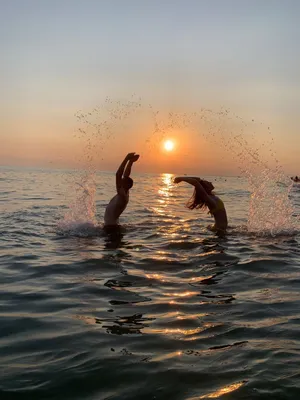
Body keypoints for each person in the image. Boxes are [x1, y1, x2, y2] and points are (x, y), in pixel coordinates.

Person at [103, 152, 139, 232]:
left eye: (122, 180)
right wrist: (131, 162)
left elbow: (118, 174)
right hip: (112, 226)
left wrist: (126, 158)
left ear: (125, 184)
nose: (120, 180)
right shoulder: (125, 192)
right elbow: (126, 175)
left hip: (110, 229)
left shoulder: (122, 195)